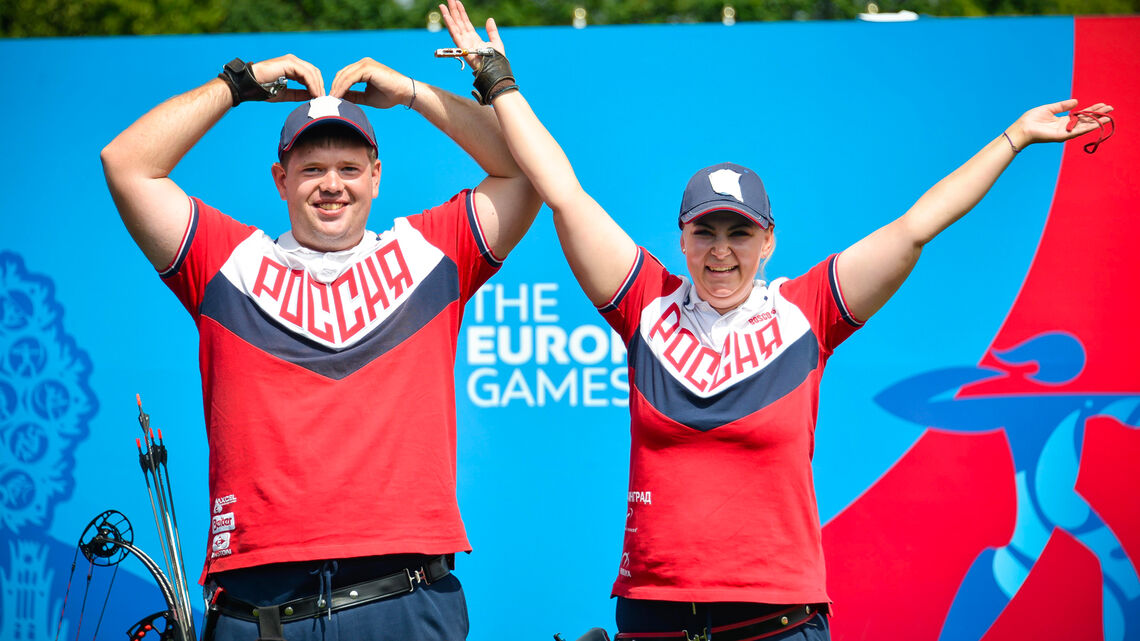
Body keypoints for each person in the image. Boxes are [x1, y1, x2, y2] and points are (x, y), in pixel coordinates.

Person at [437, 1, 1114, 639]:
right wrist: (497, 80)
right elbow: (563, 191)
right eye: (705, 231)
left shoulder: (807, 311)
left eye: (740, 232)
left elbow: (916, 227)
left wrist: (1014, 139)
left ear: (768, 242)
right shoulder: (647, 303)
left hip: (778, 621)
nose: (721, 250)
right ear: (681, 239)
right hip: (655, 617)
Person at [101, 52, 540, 640]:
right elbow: (126, 163)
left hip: (403, 601)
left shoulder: (429, 253)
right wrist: (237, 84)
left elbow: (525, 170)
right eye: (311, 169)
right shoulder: (227, 263)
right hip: (258, 610)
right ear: (281, 179)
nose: (332, 185)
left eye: (349, 168)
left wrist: (412, 92)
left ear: (376, 176)